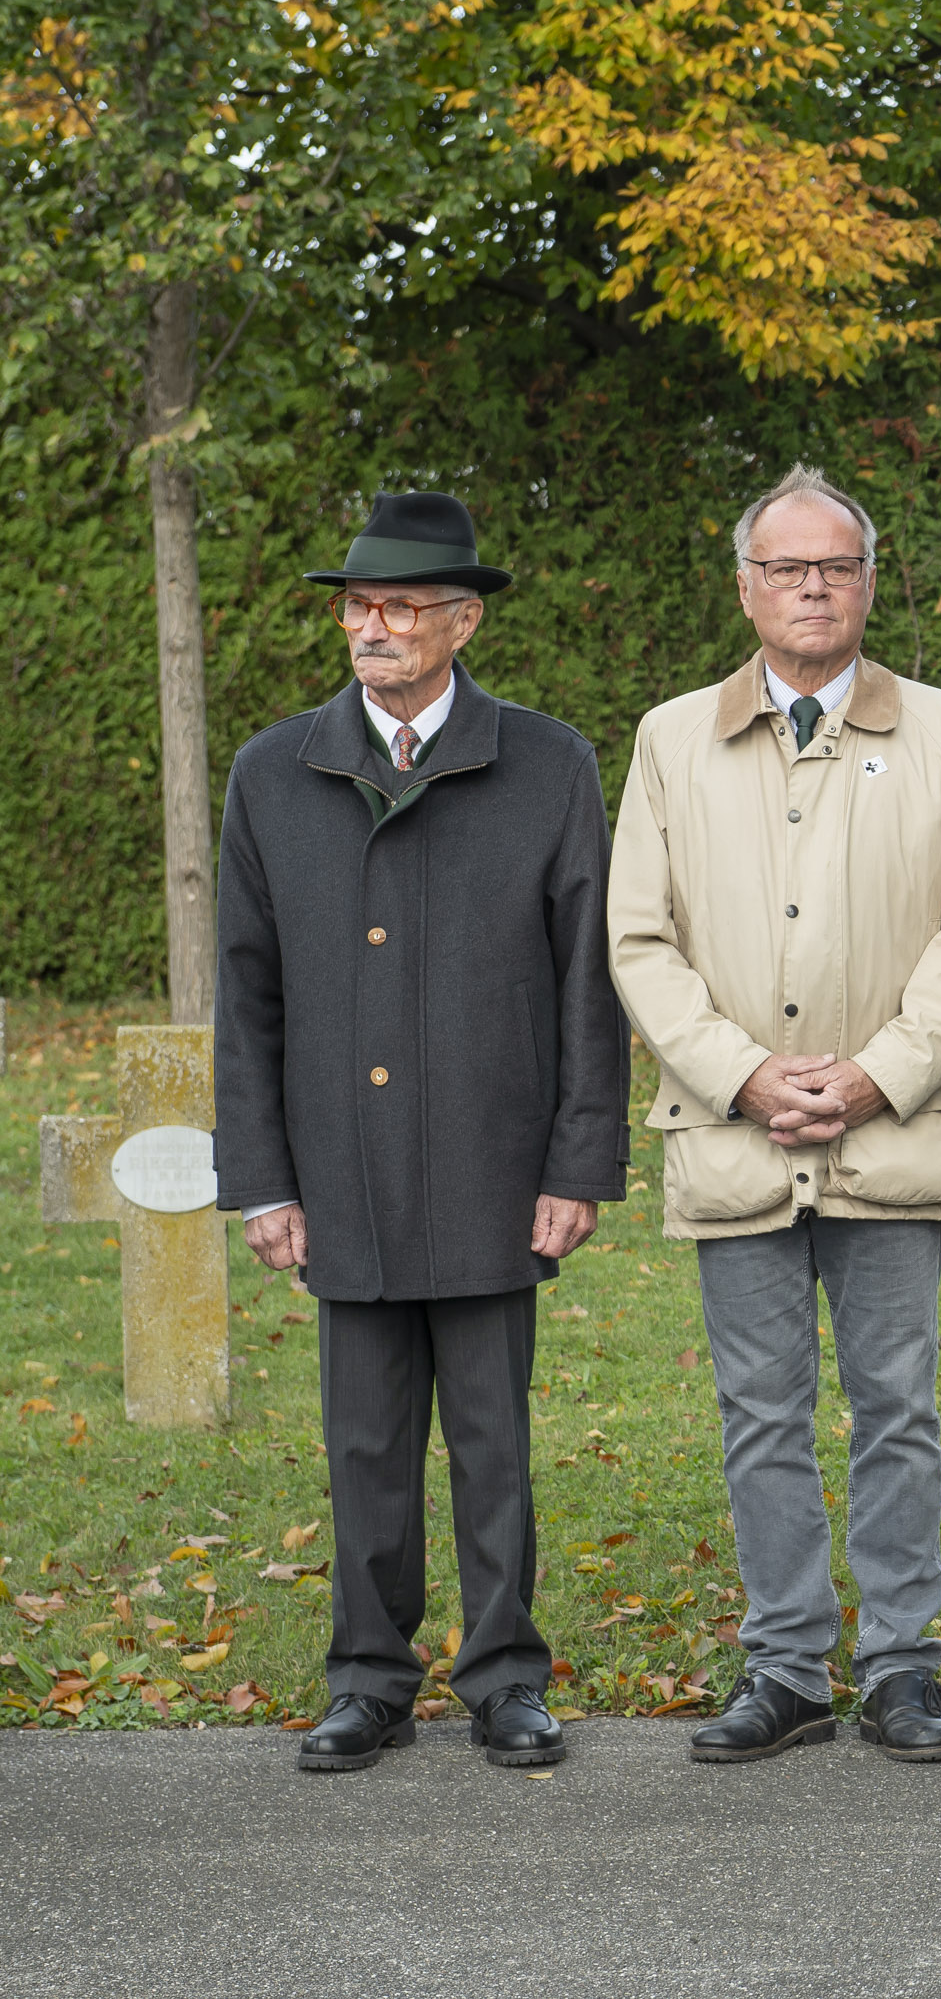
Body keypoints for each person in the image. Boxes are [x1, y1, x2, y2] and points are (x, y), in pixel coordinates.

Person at [608, 464, 941, 1765]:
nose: (811, 588)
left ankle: (903, 1664)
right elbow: (638, 934)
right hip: (735, 1137)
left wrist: (877, 1071)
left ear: (868, 582)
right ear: (746, 587)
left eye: (834, 566)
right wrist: (740, 1071)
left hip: (896, 1132)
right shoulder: (673, 739)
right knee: (762, 1412)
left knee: (898, 1405)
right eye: (786, 568)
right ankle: (785, 1664)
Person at [215, 491, 629, 1773]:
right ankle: (369, 1674)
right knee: (364, 1439)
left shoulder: (547, 761)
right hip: (339, 1169)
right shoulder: (274, 772)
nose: (372, 628)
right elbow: (246, 988)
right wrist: (262, 1178)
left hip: (498, 1163)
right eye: (356, 607)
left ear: (463, 619)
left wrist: (578, 1160)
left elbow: (586, 977)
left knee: (495, 1439)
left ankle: (506, 1674)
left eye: (397, 607)